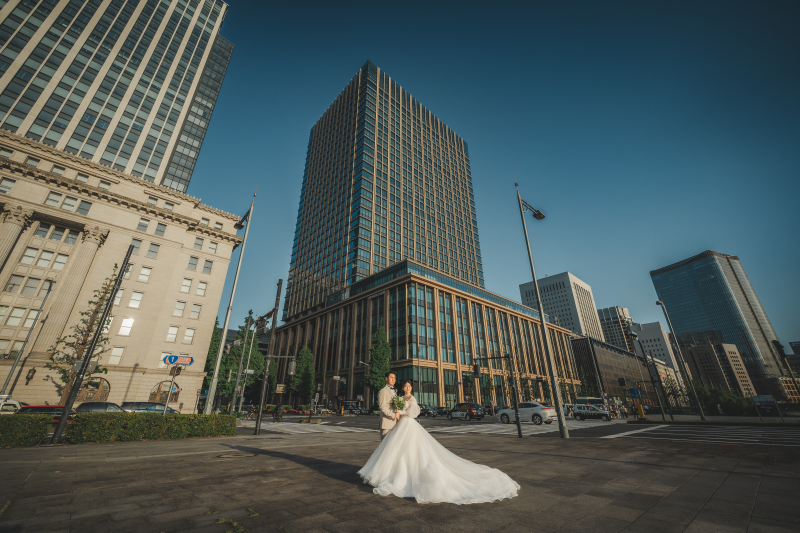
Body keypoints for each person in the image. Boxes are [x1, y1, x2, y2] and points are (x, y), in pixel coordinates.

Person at [359, 379, 520, 505]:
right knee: (397, 451)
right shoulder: (400, 397)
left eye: (409, 386)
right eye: (405, 386)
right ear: (403, 388)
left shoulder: (412, 399)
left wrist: (400, 411)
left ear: (411, 388)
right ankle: (392, 475)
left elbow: (413, 413)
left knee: (410, 451)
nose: (407, 388)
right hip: (400, 426)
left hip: (408, 424)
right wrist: (398, 411)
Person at [378, 371, 399, 440]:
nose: (393, 379)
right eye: (391, 377)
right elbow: (382, 406)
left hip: (395, 423)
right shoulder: (383, 391)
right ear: (386, 379)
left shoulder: (394, 392)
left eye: (394, 378)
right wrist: (393, 415)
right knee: (385, 447)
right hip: (386, 424)